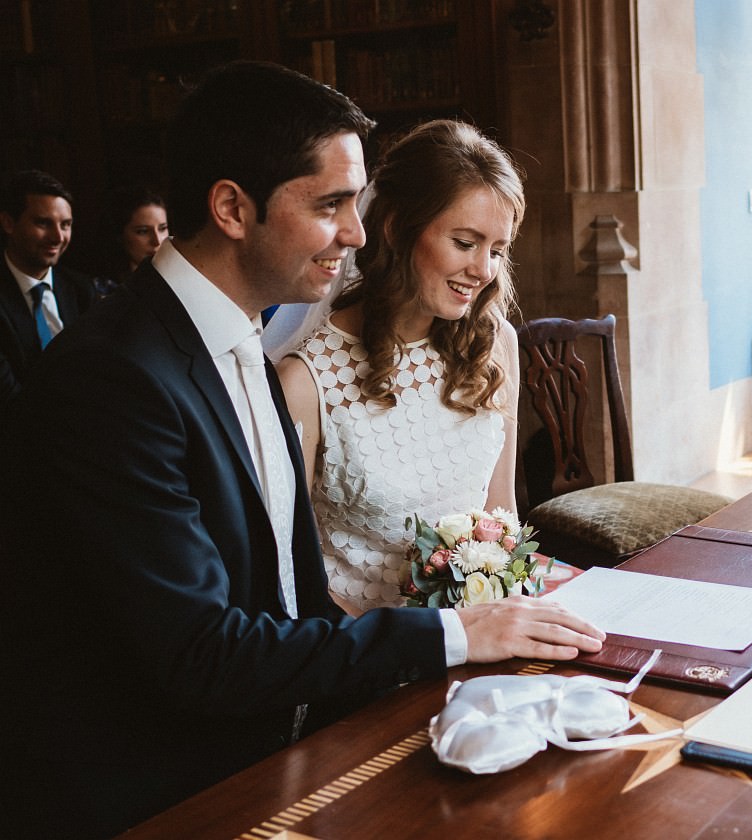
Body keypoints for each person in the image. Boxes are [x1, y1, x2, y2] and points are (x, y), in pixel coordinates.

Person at [0, 61, 603, 840]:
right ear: (231, 208)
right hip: (167, 792)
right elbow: (202, 653)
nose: (357, 232)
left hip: (300, 729)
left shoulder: (240, 339)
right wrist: (457, 634)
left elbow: (289, 588)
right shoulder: (114, 379)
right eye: (331, 205)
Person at [271, 119, 523, 615]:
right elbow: (287, 569)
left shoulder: (495, 346)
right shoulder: (306, 381)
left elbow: (502, 512)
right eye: (466, 243)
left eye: (498, 250)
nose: (484, 270)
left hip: (484, 633)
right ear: (396, 228)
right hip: (367, 656)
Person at [0, 168, 99, 410]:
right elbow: (9, 399)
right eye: (43, 223)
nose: (58, 237)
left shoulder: (81, 289)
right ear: (8, 223)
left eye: (65, 225)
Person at [94, 184, 170, 294]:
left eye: (162, 228)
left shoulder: (181, 280)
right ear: (120, 235)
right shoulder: (101, 290)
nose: (157, 241)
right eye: (143, 231)